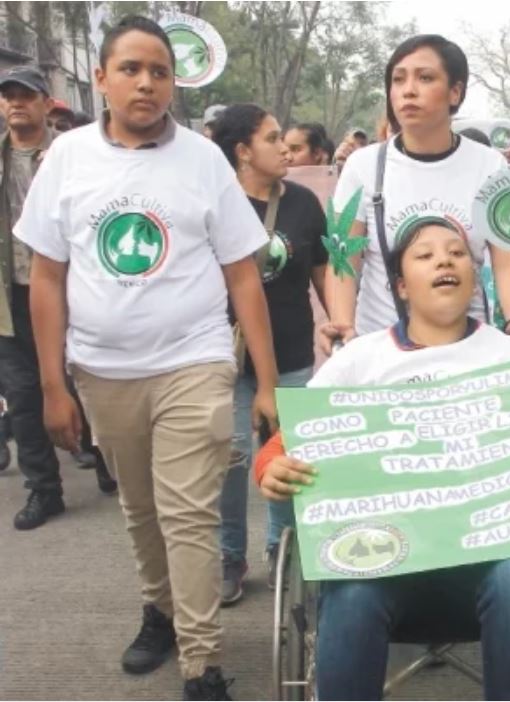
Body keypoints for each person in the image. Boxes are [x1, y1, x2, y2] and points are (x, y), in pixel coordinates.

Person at [253, 219, 510, 699]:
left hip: (492, 561)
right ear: (402, 287)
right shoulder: (359, 360)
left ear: (474, 276)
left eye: (456, 253)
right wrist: (272, 467)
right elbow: (289, 442)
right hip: (385, 557)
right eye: (425, 255)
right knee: (351, 588)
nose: (445, 261)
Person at [17, 16, 279, 698]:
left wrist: (268, 381)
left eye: (159, 71)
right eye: (130, 68)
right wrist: (52, 385)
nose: (146, 82)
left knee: (189, 514)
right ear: (100, 78)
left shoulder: (203, 160)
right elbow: (46, 277)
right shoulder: (67, 160)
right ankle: (159, 611)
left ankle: (202, 661)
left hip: (194, 363)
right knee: (141, 510)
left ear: (173, 83)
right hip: (102, 372)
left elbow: (243, 275)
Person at [321, 34, 510, 356]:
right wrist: (342, 325)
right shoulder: (362, 166)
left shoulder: (491, 166)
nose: (408, 90)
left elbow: (507, 263)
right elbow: (343, 260)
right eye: (398, 80)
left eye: (425, 78)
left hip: (468, 354)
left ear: (456, 92)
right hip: (380, 355)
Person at [211, 104, 330, 605]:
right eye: (272, 138)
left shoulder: (303, 203)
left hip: (292, 353)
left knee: (286, 457)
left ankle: (283, 546)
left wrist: (343, 328)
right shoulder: (216, 204)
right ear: (242, 151)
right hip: (225, 358)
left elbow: (323, 271)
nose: (285, 147)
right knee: (232, 460)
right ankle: (229, 555)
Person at [0, 66, 71, 529]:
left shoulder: (71, 155)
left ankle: (104, 459)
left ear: (47, 103)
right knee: (24, 396)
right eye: (8, 96)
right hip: (10, 298)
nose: (15, 103)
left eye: (26, 95)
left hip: (70, 292)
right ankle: (44, 490)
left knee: (81, 378)